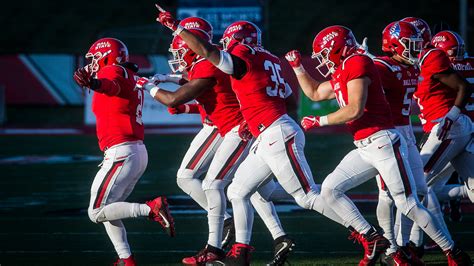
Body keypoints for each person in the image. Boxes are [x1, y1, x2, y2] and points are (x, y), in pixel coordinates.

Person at [156, 8, 347, 266]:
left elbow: (208, 56)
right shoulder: (269, 58)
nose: (227, 46)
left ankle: (368, 234)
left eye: (230, 42)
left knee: (304, 195)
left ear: (237, 41)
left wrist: (176, 27)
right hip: (266, 129)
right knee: (245, 190)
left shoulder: (240, 54)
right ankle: (252, 248)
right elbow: (288, 100)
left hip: (262, 131)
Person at [285, 25, 471, 265]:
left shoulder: (356, 63)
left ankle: (452, 252)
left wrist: (319, 120)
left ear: (337, 48)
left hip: (383, 142)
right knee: (330, 189)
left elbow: (354, 109)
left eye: (324, 54)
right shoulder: (346, 66)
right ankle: (374, 238)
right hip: (366, 146)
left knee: (407, 202)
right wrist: (297, 67)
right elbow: (316, 92)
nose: (322, 61)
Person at [137, 17, 295, 265]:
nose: (177, 56)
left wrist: (146, 85)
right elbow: (213, 99)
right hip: (238, 127)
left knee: (215, 184)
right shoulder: (222, 63)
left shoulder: (213, 63)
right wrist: (176, 90)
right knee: (257, 190)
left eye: (181, 50)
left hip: (237, 130)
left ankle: (219, 241)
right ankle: (277, 236)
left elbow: (176, 98)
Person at [72, 37, 174, 266]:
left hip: (122, 151)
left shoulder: (111, 71)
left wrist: (95, 84)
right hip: (133, 150)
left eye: (95, 57)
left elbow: (112, 86)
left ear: (108, 55)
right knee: (110, 209)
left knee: (96, 211)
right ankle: (126, 260)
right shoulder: (125, 72)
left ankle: (150, 208)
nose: (92, 62)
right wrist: (95, 83)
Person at [401, 17, 474, 261]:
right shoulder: (417, 63)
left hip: (447, 128)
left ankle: (415, 246)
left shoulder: (432, 57)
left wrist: (450, 117)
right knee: (428, 188)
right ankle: (416, 244)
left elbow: (463, 86)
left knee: (414, 184)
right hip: (455, 128)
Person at [368, 21, 427, 265]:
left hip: (406, 132)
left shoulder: (409, 66)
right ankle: (391, 248)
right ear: (393, 45)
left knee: (418, 191)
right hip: (386, 132)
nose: (416, 50)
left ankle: (403, 244)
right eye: (411, 45)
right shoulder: (381, 67)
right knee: (388, 194)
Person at [431, 30, 474, 222]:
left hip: (452, 133)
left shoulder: (437, 68)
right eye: (454, 51)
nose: (459, 55)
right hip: (465, 133)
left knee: (419, 187)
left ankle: (417, 242)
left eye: (460, 51)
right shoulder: (470, 64)